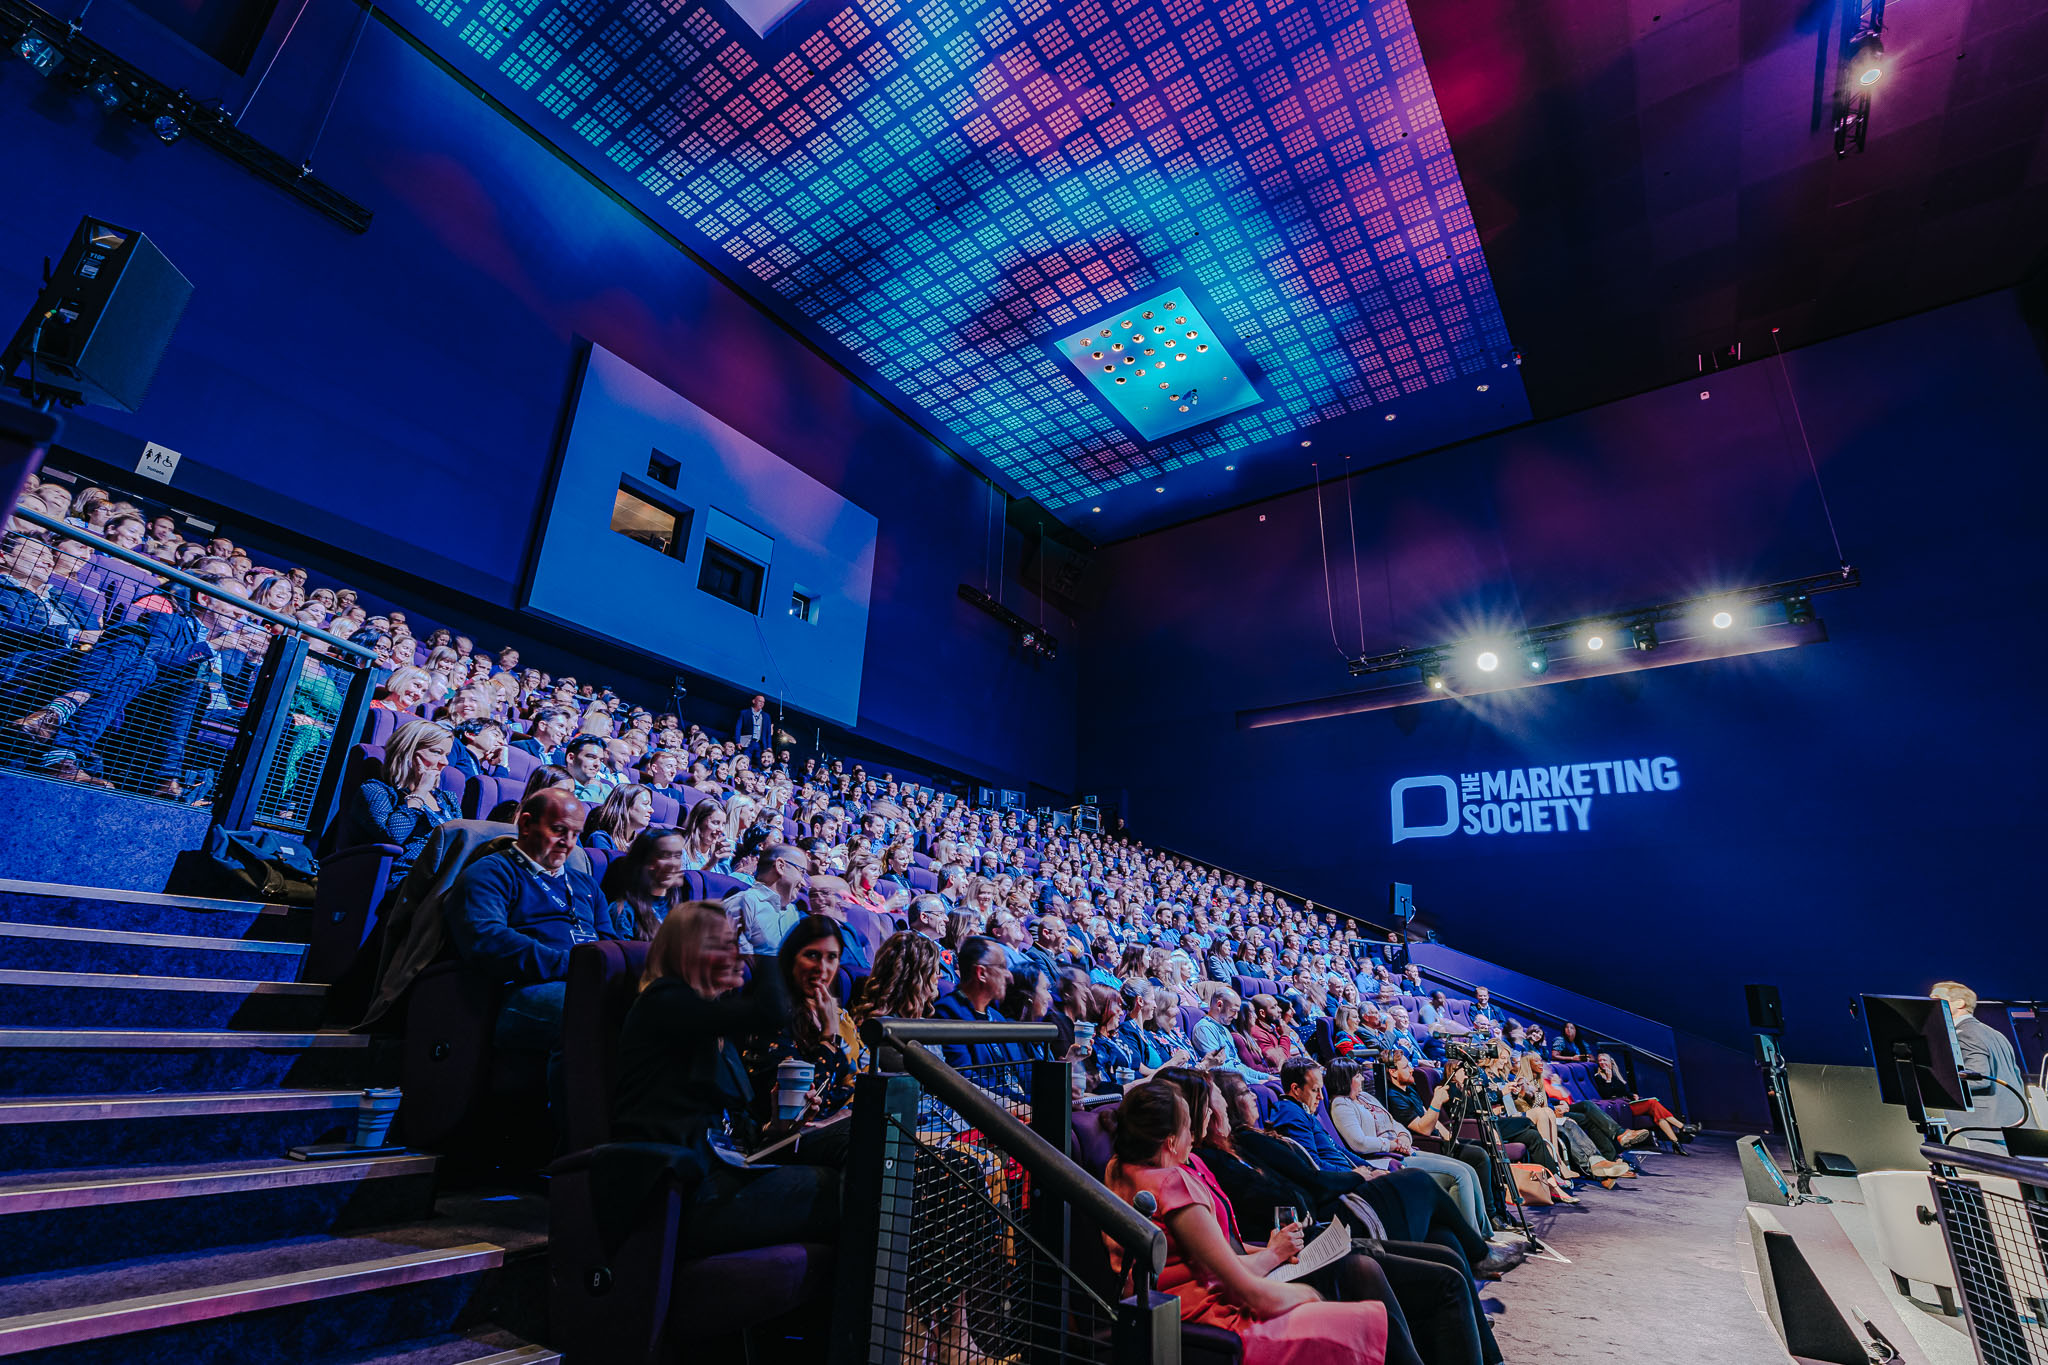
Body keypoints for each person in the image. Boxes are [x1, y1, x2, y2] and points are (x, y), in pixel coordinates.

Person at [1163, 1068, 1503, 1365]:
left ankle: (1482, 1346)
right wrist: (1276, 1255)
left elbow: (1232, 1244)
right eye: (1223, 1099)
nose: (1247, 1099)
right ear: (1200, 1114)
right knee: (1420, 1196)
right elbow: (1230, 1268)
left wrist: (1274, 1247)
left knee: (1445, 1247)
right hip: (1296, 1244)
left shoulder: (1211, 1159)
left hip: (1303, 1235)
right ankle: (1478, 1263)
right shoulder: (1191, 1174)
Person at [1102, 1081, 1392, 1365]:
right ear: (1170, 1140)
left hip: (1174, 1310)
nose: (1193, 1136)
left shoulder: (1118, 1169)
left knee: (1363, 1270)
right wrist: (1310, 1294)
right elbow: (1249, 1292)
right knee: (1362, 1316)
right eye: (1188, 1128)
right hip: (1213, 1317)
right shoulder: (1173, 1184)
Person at [610, 901, 838, 1256]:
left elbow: (731, 1129)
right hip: (683, 1191)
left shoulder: (713, 1026)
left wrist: (776, 1128)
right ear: (689, 951)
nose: (736, 955)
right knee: (846, 1188)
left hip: (723, 1173)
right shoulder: (663, 1001)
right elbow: (770, 1011)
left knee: (857, 1157)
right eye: (724, 945)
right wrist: (763, 950)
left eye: (736, 944)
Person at [442, 789, 624, 1114]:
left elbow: (608, 941)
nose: (568, 843)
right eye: (559, 830)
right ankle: (577, 1136)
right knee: (588, 1015)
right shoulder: (492, 872)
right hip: (521, 990)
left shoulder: (586, 885)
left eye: (575, 834)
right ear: (526, 825)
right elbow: (487, 941)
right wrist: (574, 966)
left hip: (582, 981)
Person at [1264, 1059, 1513, 1278]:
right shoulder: (1290, 1113)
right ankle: (1480, 1253)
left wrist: (1366, 1168)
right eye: (1315, 1090)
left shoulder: (1306, 1112)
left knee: (1442, 1234)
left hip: (1358, 1175)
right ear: (1295, 1089)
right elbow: (1314, 1166)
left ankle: (1472, 1268)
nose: (1321, 1097)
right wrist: (1357, 1175)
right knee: (1421, 1181)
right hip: (1345, 1195)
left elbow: (1339, 1151)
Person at [1324, 1057, 1493, 1239]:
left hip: (1402, 1149)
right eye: (1358, 1076)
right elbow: (1360, 1143)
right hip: (1384, 1158)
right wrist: (1393, 1144)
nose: (1363, 1079)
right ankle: (1472, 1240)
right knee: (1459, 1175)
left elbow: (1394, 1123)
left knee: (1468, 1169)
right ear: (1345, 1079)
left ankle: (1485, 1233)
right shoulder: (1341, 1105)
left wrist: (1403, 1137)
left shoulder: (1365, 1097)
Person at [742, 913, 856, 1165]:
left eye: (831, 957)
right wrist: (829, 1037)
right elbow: (800, 1105)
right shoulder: (773, 1015)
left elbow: (852, 1084)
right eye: (812, 955)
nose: (822, 968)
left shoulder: (833, 1014)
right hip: (783, 1143)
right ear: (791, 959)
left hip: (830, 1132)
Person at [338, 719, 461, 882]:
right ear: (408, 752)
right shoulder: (377, 791)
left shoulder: (447, 799)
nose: (445, 762)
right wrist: (420, 791)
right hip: (402, 878)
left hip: (443, 877)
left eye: (447, 755)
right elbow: (394, 836)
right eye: (437, 752)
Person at [1930, 981, 2029, 1150]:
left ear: (1959, 1003)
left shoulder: (1964, 1033)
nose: (1930, 1005)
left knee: (1994, 1167)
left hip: (1986, 1126)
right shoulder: (1994, 1034)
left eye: (1937, 999)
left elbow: (1979, 1078)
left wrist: (1933, 1085)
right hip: (2009, 1122)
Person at [930, 935, 1029, 1101]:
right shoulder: (948, 1013)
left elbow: (1024, 1071)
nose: (1008, 975)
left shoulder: (997, 1017)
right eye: (1002, 966)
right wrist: (1017, 1101)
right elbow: (965, 1078)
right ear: (981, 973)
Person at [1589, 1051, 1695, 1152]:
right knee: (1653, 1103)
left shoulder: (1616, 1074)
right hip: (1620, 1107)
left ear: (1611, 1062)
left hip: (1626, 1103)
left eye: (1604, 1060)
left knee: (1658, 1115)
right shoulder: (1599, 1077)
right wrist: (1608, 1079)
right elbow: (1606, 1095)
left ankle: (1676, 1143)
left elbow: (1622, 1091)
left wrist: (1632, 1095)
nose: (1602, 1062)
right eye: (1600, 1060)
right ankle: (1682, 1126)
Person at [722, 843, 807, 953]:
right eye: (802, 872)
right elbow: (728, 956)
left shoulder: (792, 911)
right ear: (780, 866)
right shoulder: (745, 903)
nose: (804, 883)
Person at [606, 825, 685, 940]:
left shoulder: (679, 909)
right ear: (643, 861)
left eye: (677, 856)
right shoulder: (624, 912)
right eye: (664, 856)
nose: (673, 863)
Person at [1194, 988, 1274, 1083]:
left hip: (1239, 1082)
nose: (1236, 1016)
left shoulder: (1225, 1029)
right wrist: (1256, 1082)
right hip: (1227, 1085)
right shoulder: (1204, 1028)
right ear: (1219, 1005)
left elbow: (1239, 1066)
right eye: (1233, 1010)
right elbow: (1218, 1070)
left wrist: (1266, 1077)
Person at [585, 783, 653, 851]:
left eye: (650, 805)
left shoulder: (641, 842)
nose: (652, 810)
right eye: (645, 804)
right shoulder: (600, 839)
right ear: (625, 806)